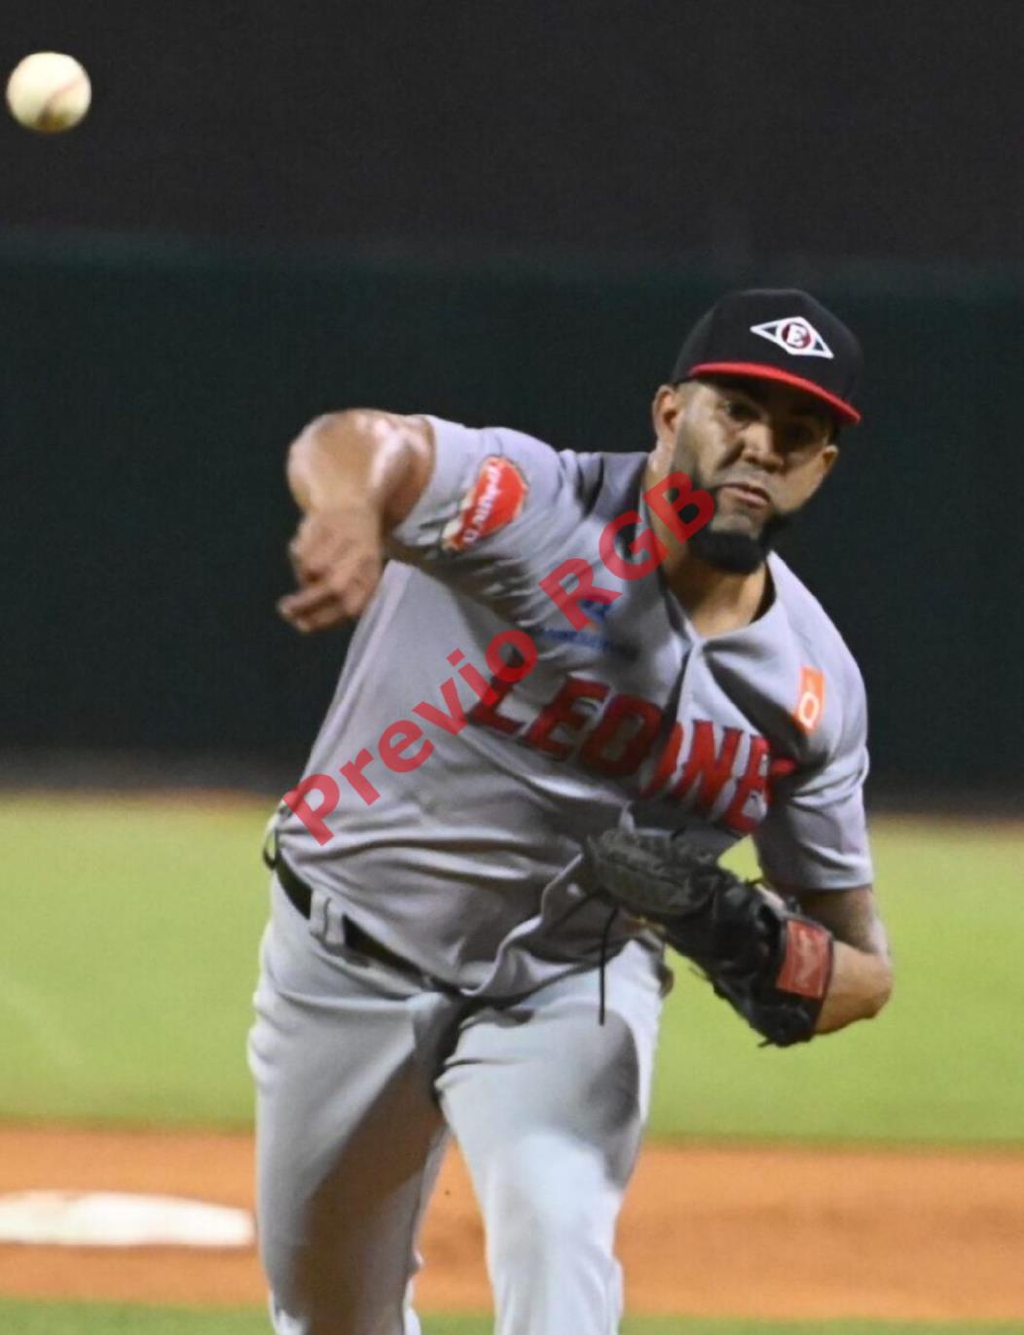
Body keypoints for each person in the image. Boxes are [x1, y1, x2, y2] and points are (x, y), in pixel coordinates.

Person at [249, 288, 894, 1335]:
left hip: (567, 989)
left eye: (798, 432)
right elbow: (358, 440)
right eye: (736, 407)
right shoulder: (535, 509)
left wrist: (731, 930)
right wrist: (348, 509)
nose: (760, 446)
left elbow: (861, 971)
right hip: (345, 962)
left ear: (820, 467)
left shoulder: (813, 690)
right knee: (328, 1316)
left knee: (557, 1242)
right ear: (667, 412)